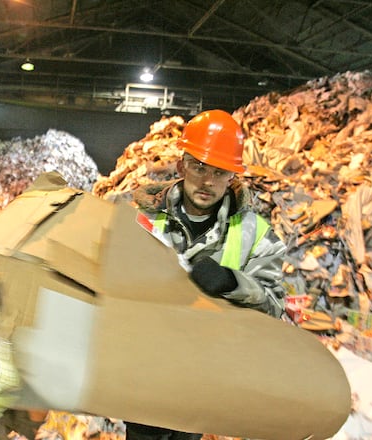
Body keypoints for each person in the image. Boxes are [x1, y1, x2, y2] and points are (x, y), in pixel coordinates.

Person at [126, 109, 288, 440]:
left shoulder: (255, 233)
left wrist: (232, 282)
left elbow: (275, 307)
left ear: (233, 177)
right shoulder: (142, 221)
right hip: (146, 379)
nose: (207, 181)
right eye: (199, 167)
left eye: (220, 171)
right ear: (182, 166)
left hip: (204, 383)